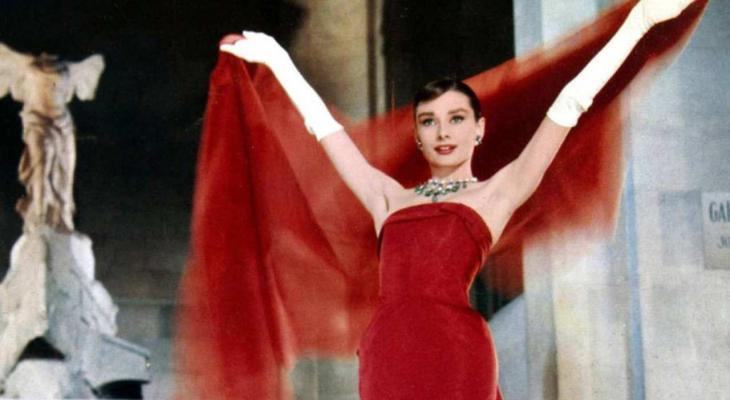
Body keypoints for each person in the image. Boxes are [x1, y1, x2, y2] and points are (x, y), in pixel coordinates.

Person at [218, 0, 696, 398]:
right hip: (388, 352)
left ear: (480, 130)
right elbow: (325, 131)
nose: (443, 132)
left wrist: (639, 23)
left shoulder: (497, 193)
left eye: (457, 119)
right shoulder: (388, 199)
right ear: (419, 138)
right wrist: (278, 58)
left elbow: (570, 103)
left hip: (456, 351)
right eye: (429, 122)